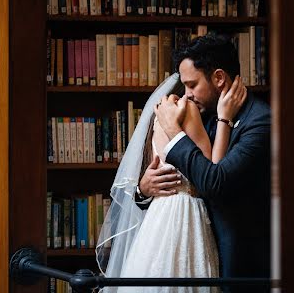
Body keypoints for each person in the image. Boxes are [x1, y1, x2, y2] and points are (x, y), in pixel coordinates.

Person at [96, 66, 247, 293]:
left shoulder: (161, 115)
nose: (189, 94)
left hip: (160, 216)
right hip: (183, 213)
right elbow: (211, 169)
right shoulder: (186, 110)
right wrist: (225, 119)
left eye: (193, 86)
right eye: (188, 86)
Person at [150, 34, 271, 283]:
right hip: (194, 253)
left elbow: (215, 182)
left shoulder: (261, 121)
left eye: (192, 85)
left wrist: (174, 133)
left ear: (218, 78)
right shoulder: (201, 113)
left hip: (240, 264)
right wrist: (144, 188)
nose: (187, 94)